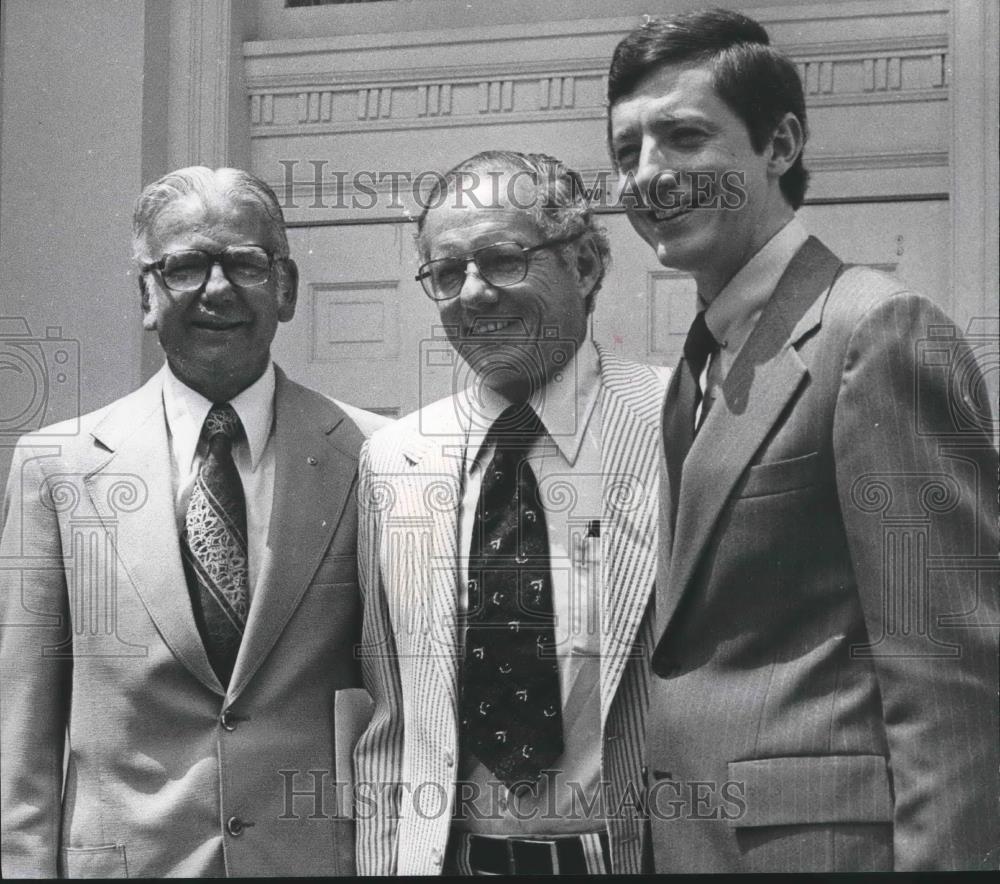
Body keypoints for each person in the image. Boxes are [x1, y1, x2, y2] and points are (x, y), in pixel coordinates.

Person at [606, 8, 999, 873]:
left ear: (780, 145)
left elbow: (951, 682)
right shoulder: (700, 362)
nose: (648, 176)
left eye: (682, 137)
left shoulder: (875, 331)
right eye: (627, 150)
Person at [0, 166, 387, 877]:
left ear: (287, 288)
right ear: (146, 294)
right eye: (183, 266)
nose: (216, 289)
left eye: (244, 263)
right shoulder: (55, 470)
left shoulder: (374, 455)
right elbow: (18, 729)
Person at [354, 150, 669, 875]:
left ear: (585, 266)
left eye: (502, 259)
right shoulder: (395, 461)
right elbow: (390, 723)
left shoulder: (679, 423)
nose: (473, 293)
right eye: (446, 272)